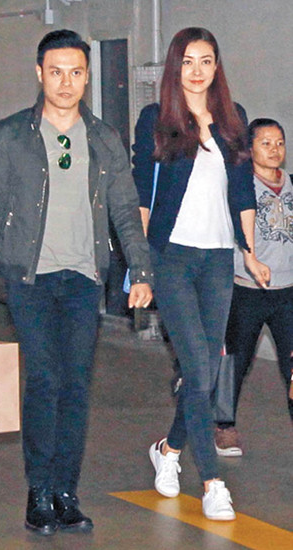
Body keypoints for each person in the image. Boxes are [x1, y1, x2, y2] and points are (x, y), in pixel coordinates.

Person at [0, 29, 153, 536]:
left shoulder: (104, 138)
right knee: (45, 379)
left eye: (75, 73)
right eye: (56, 72)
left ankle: (66, 493)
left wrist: (140, 270)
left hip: (83, 278)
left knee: (74, 384)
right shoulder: (12, 135)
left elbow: (125, 210)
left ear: (87, 77)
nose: (65, 82)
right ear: (39, 74)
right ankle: (39, 491)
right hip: (30, 278)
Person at [132, 27, 270, 521]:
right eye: (188, 61)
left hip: (216, 261)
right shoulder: (157, 119)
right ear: (175, 67)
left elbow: (243, 191)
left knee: (205, 372)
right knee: (197, 366)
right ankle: (212, 482)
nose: (196, 70)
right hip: (171, 258)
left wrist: (249, 252)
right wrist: (141, 263)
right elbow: (141, 193)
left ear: (217, 66)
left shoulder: (234, 120)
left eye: (206, 61)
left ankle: (168, 450)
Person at [215, 118, 293, 456]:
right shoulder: (240, 187)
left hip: (288, 292)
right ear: (249, 149)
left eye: (280, 143)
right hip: (247, 290)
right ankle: (224, 426)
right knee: (236, 362)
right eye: (266, 143)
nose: (275, 150)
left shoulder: (291, 184)